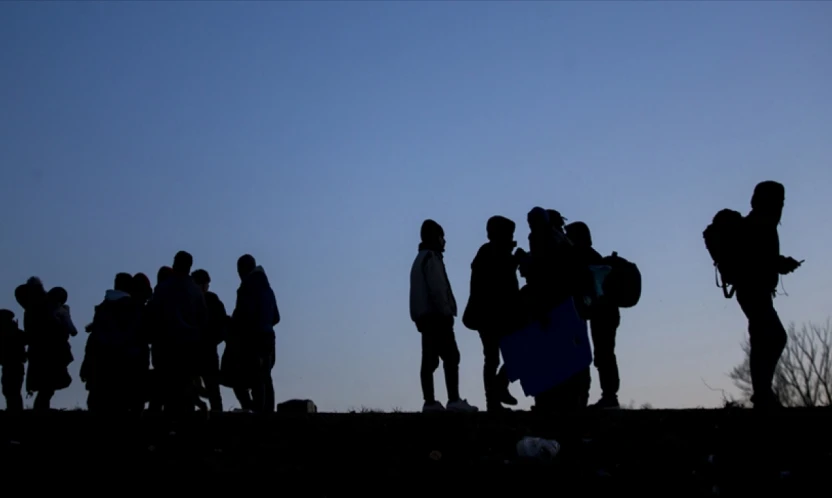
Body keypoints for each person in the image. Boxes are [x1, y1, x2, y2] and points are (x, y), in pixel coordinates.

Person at [734, 181, 802, 409]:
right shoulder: (760, 224)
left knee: (763, 338)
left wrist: (779, 264)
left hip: (754, 290)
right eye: (779, 201)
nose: (781, 206)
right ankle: (762, 394)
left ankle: (762, 393)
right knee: (773, 337)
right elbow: (758, 259)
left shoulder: (760, 222)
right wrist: (781, 264)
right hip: (752, 290)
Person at [410, 219, 478, 413]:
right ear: (436, 237)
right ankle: (453, 400)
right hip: (437, 316)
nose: (444, 241)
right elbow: (438, 289)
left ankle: (429, 402)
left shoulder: (420, 259)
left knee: (429, 360)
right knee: (451, 356)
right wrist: (446, 311)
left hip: (425, 318)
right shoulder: (431, 258)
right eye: (442, 237)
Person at [462, 216, 520, 412]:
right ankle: (494, 397)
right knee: (496, 358)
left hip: (497, 316)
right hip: (492, 317)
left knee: (507, 357)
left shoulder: (492, 252)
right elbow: (499, 280)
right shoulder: (490, 252)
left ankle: (496, 392)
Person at [566, 221, 621, 409]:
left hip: (603, 313)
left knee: (604, 354)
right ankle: (609, 395)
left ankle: (610, 396)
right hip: (604, 312)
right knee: (604, 354)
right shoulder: (591, 256)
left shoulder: (585, 257)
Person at [145, 251, 209, 413]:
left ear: (175, 264)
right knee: (185, 393)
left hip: (164, 347)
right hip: (188, 349)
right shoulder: (195, 291)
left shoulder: (162, 289)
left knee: (160, 392)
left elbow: (153, 316)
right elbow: (203, 320)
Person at [81, 272, 144, 412]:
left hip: (100, 363)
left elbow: (93, 340)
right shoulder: (132, 307)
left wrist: (87, 364)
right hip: (123, 364)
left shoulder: (103, 307)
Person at [227, 254, 280, 413]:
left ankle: (256, 412)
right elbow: (276, 317)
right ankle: (268, 413)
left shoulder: (246, 288)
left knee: (250, 377)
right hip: (269, 337)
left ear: (242, 269)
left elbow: (243, 315)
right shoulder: (268, 289)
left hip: (252, 338)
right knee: (266, 377)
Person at [16, 277, 72, 410]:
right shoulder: (44, 305)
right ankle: (41, 410)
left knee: (45, 386)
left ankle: (41, 409)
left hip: (39, 350)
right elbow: (57, 328)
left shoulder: (31, 307)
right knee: (47, 386)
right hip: (49, 350)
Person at [191, 269, 228, 412]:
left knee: (188, 390)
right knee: (213, 391)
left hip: (192, 351)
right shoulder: (213, 301)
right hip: (209, 353)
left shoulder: (189, 300)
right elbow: (222, 327)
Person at [0, 309, 26, 411]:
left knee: (11, 391)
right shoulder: (15, 332)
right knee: (11, 391)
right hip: (13, 365)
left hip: (13, 365)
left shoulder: (12, 333)